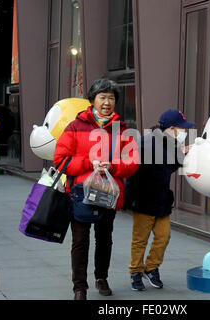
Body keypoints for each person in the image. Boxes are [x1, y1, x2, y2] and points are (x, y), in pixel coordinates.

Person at [53, 78, 139, 300]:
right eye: (102, 97)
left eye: (111, 98)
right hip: (81, 192)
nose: (107, 102)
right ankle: (79, 287)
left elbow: (133, 161)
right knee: (80, 241)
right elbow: (60, 159)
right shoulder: (75, 126)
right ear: (92, 100)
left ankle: (102, 277)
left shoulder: (122, 129)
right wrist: (87, 163)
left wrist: (114, 166)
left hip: (108, 194)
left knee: (104, 238)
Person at [124, 109, 195, 291]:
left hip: (161, 201)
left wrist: (183, 152)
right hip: (144, 200)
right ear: (171, 128)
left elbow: (168, 167)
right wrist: (127, 199)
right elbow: (132, 172)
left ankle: (152, 267)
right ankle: (136, 272)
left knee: (163, 237)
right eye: (182, 129)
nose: (184, 132)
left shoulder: (168, 143)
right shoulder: (147, 143)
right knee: (140, 239)